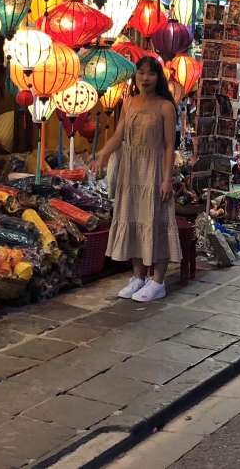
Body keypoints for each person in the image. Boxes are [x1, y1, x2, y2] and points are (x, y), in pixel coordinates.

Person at [89, 57, 181, 303]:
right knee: (133, 219)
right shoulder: (129, 103)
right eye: (141, 73)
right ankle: (138, 277)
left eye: (151, 74)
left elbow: (170, 145)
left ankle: (158, 281)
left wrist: (167, 180)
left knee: (156, 221)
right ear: (135, 76)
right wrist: (103, 154)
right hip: (131, 170)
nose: (145, 78)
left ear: (158, 77)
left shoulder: (165, 107)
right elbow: (119, 135)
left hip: (155, 169)